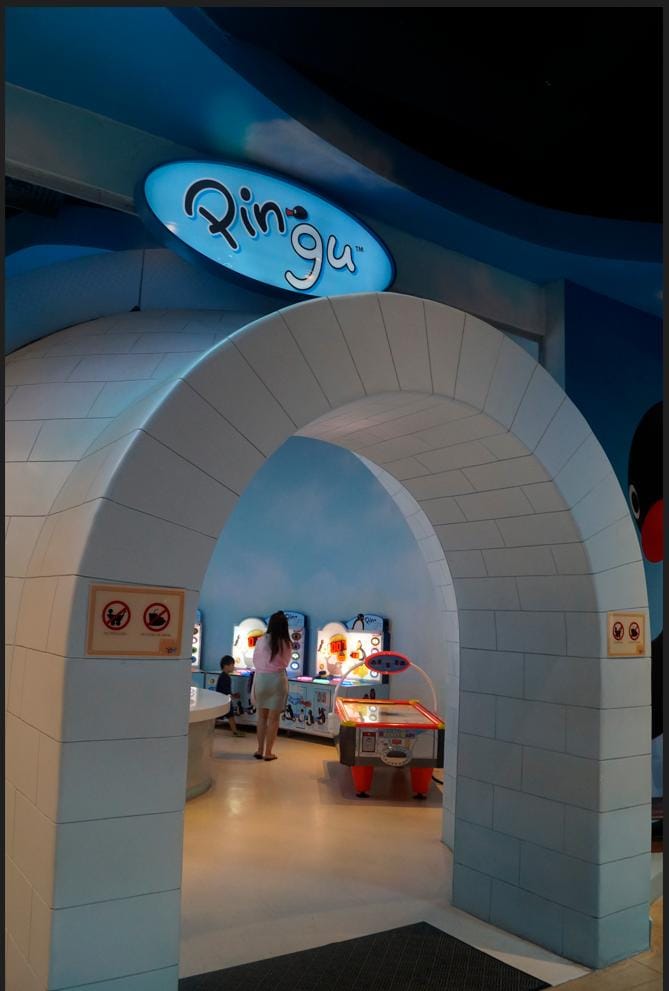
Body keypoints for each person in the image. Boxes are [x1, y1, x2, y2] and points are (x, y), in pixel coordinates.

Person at [251, 611, 291, 761]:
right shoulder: (286, 643)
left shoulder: (261, 640)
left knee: (261, 717)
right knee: (273, 720)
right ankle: (268, 752)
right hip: (278, 680)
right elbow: (286, 662)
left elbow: (255, 660)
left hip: (261, 679)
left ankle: (259, 750)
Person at [215, 655, 245, 737]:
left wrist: (232, 695)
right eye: (232, 665)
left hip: (223, 699)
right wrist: (233, 695)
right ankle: (235, 732)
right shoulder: (225, 677)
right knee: (229, 715)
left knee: (227, 715)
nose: (233, 667)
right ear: (226, 666)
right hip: (223, 700)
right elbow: (225, 690)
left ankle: (235, 731)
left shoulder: (224, 676)